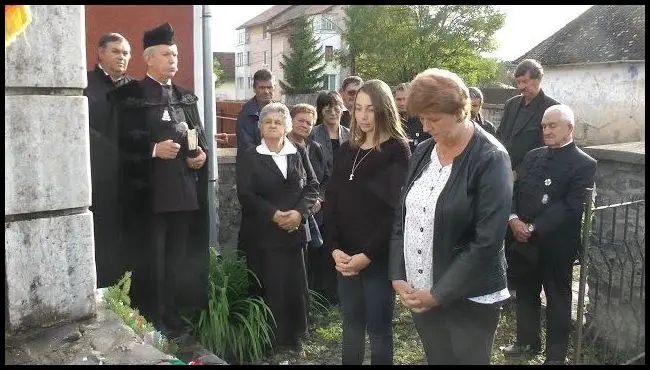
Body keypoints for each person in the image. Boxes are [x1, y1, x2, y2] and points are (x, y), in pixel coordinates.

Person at [389, 68, 512, 365]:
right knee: (438, 358)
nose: (426, 127)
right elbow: (402, 216)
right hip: (422, 288)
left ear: (460, 111)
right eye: (422, 119)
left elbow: (487, 241)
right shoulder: (422, 152)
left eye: (434, 119)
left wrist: (439, 293)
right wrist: (398, 273)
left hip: (469, 295)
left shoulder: (491, 158)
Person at [108, 23, 210, 335]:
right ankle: (152, 317)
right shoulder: (128, 97)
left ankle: (173, 314)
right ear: (149, 59)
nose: (174, 59)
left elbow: (197, 138)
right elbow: (113, 145)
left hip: (183, 196)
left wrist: (200, 156)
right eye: (167, 54)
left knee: (176, 261)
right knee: (152, 261)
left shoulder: (186, 99)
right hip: (149, 198)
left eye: (176, 55)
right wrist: (153, 149)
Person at [324, 79, 411, 365]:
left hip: (377, 256)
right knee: (351, 325)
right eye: (358, 108)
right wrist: (334, 247)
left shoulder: (397, 150)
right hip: (345, 256)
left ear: (384, 110)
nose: (362, 116)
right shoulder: (349, 148)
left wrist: (367, 255)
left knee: (378, 328)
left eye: (370, 110)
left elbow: (395, 211)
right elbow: (332, 200)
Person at [502, 105, 597, 365]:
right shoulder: (533, 156)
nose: (547, 130)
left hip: (555, 246)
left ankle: (556, 357)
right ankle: (527, 343)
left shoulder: (584, 164)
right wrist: (512, 219)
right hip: (522, 241)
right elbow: (514, 188)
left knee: (557, 301)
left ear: (570, 128)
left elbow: (570, 205)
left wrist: (533, 228)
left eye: (553, 125)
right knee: (526, 293)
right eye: (544, 126)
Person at [236, 102, 320, 349]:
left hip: (294, 233)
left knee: (295, 287)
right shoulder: (250, 156)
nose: (273, 126)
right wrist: (274, 214)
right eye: (268, 122)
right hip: (264, 235)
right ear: (261, 126)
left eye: (278, 122)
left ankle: (295, 337)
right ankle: (268, 341)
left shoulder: (299, 151)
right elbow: (246, 195)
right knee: (268, 285)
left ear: (287, 126)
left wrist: (298, 214)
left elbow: (312, 186)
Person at [495, 59, 559, 290]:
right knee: (501, 223)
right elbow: (502, 136)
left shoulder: (550, 108)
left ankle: (518, 283)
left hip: (530, 180)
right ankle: (501, 277)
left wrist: (518, 172)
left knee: (519, 228)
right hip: (504, 172)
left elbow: (546, 150)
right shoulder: (512, 104)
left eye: (525, 82)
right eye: (518, 82)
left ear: (538, 80)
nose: (521, 87)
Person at [83, 32, 133, 288]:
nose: (122, 57)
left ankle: (131, 297)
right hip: (98, 182)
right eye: (116, 51)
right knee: (103, 239)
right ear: (100, 52)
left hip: (132, 182)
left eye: (125, 53)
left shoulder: (135, 90)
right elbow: (80, 130)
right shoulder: (85, 86)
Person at [308, 90, 350, 303]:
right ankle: (320, 292)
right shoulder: (313, 135)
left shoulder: (350, 134)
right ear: (321, 110)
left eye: (336, 107)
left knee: (341, 243)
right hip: (320, 199)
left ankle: (338, 292)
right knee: (322, 245)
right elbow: (310, 173)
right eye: (327, 107)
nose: (333, 111)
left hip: (345, 199)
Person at [236, 68, 275, 153]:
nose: (266, 91)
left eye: (269, 87)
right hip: (255, 163)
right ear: (254, 89)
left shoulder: (281, 112)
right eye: (262, 88)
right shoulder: (246, 114)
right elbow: (247, 147)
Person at [393, 82, 431, 151]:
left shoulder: (424, 120)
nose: (402, 103)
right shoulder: (390, 122)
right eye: (399, 99)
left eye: (405, 99)